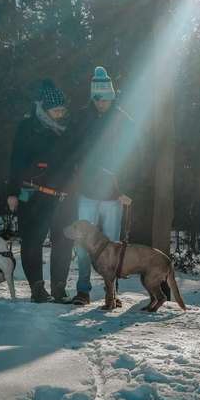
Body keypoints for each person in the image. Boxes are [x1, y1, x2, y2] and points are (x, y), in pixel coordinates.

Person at [72, 66, 138, 305]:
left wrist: (127, 189)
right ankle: (83, 291)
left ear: (112, 96)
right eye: (98, 99)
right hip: (88, 193)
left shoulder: (123, 119)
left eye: (107, 99)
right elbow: (72, 152)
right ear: (93, 97)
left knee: (111, 246)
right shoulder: (82, 118)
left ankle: (112, 294)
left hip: (113, 196)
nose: (102, 104)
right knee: (82, 243)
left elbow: (134, 154)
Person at [7, 79, 77, 302]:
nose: (60, 113)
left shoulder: (67, 129)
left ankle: (59, 288)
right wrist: (12, 192)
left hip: (63, 196)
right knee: (32, 240)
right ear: (44, 109)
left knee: (64, 241)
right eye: (56, 110)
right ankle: (37, 288)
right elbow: (16, 160)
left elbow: (74, 160)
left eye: (62, 109)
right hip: (33, 194)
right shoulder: (27, 127)